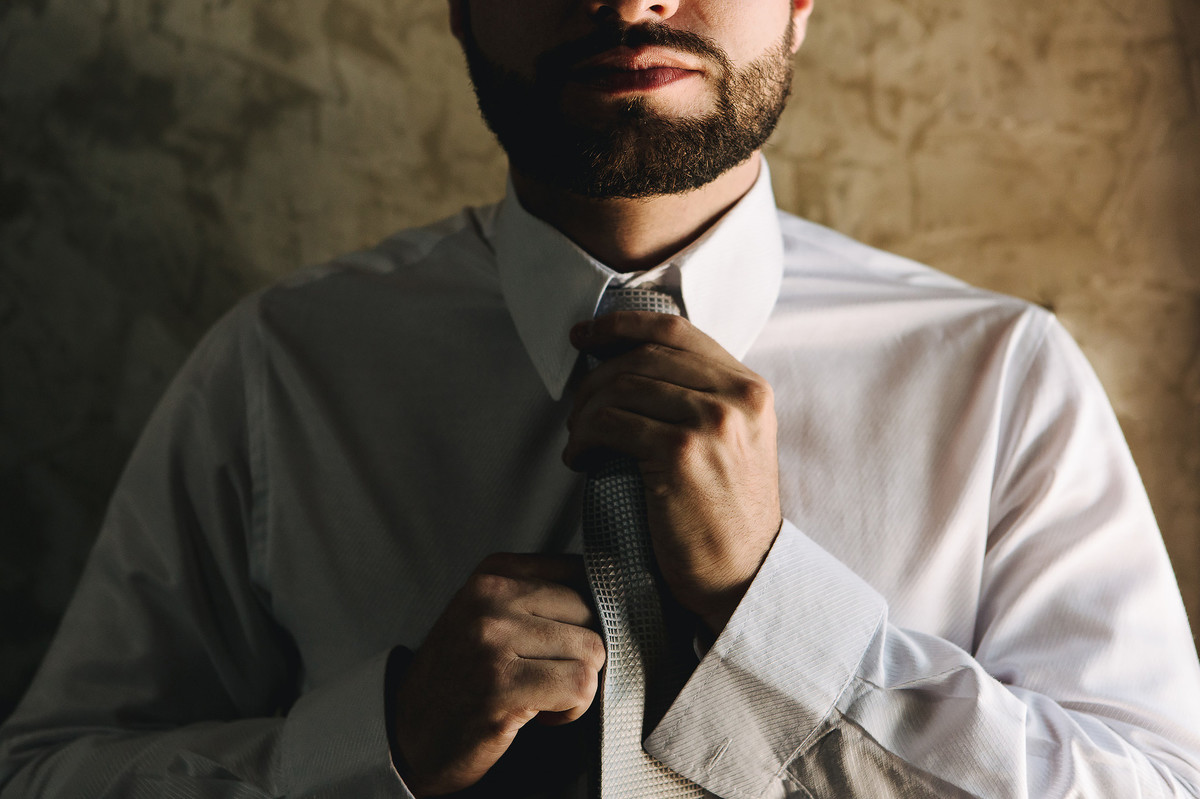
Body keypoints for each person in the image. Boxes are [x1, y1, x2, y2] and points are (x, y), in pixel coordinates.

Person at [3, 0, 1200, 796]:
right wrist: (380, 746)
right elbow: (50, 773)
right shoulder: (281, 368)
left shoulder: (999, 374)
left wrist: (773, 610)